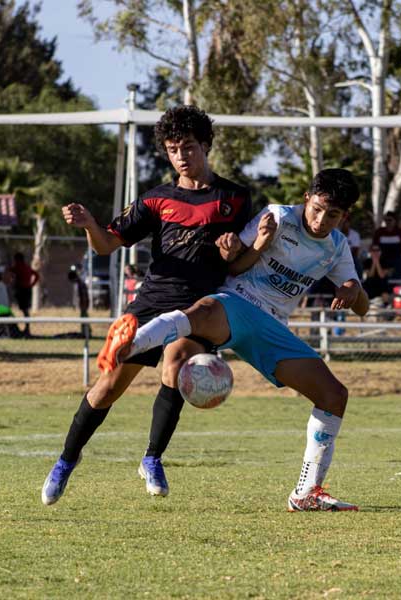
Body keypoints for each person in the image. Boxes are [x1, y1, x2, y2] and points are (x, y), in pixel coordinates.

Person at [96, 169, 369, 511]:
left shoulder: (337, 246)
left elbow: (362, 307)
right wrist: (251, 245)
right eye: (317, 209)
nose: (320, 219)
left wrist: (353, 289)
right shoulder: (278, 217)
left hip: (271, 328)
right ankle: (127, 345)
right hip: (237, 302)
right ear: (306, 199)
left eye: (332, 215)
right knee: (203, 312)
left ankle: (306, 493)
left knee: (334, 395)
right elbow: (234, 264)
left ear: (345, 217)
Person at [41, 105, 252, 505]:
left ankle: (152, 458)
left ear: (205, 145)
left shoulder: (236, 198)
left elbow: (242, 260)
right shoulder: (156, 200)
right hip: (153, 303)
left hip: (200, 310)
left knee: (175, 366)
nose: (181, 155)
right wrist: (89, 225)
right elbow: (107, 244)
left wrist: (235, 249)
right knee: (107, 388)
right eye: (173, 149)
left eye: (188, 146)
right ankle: (66, 460)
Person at [9, 252, 41, 337]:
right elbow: (36, 275)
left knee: (24, 309)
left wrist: (31, 284)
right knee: (25, 309)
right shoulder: (26, 267)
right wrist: (32, 284)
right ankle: (26, 328)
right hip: (26, 289)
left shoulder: (20, 267)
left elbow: (12, 271)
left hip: (22, 290)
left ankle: (27, 328)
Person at [372, 211, 401, 279]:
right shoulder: (379, 232)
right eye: (386, 220)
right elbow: (374, 247)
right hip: (383, 258)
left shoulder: (399, 232)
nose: (387, 222)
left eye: (390, 220)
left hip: (396, 259)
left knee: (400, 265)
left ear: (395, 221)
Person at [362, 244, 392, 311]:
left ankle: (386, 305)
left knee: (384, 286)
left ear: (380, 252)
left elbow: (382, 275)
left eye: (377, 250)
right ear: (370, 252)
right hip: (370, 284)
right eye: (373, 250)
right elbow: (370, 275)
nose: (375, 252)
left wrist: (377, 262)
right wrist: (373, 263)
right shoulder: (367, 262)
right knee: (366, 286)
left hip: (382, 284)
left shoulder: (385, 261)